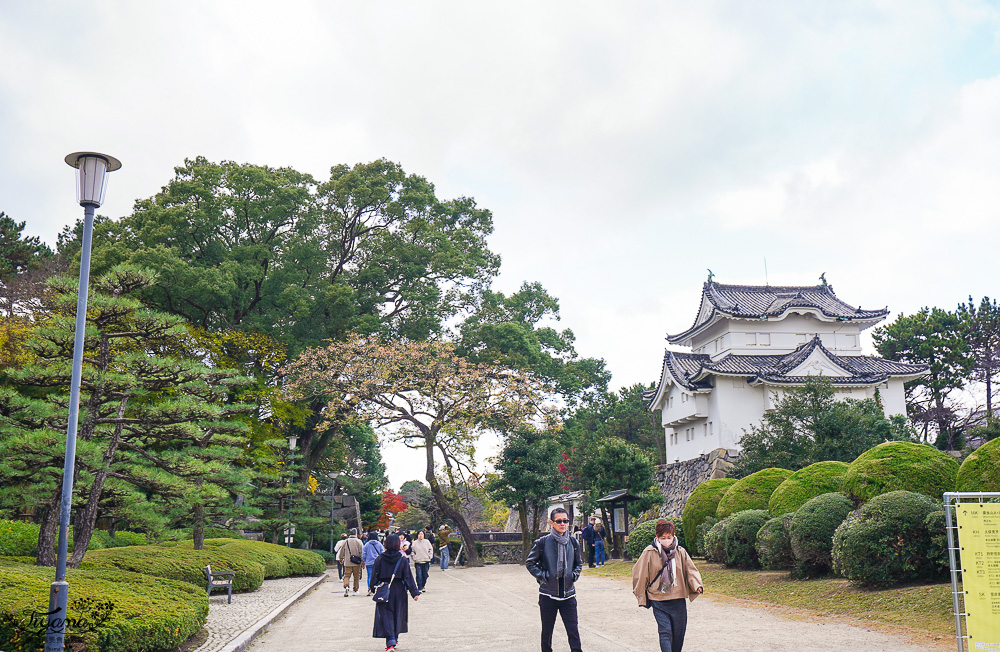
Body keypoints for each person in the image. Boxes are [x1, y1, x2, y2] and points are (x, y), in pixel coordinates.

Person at [631, 519, 704, 652]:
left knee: (678, 635)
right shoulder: (649, 552)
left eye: (669, 537)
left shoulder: (680, 551)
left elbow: (690, 570)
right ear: (657, 537)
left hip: (678, 598)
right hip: (658, 599)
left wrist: (696, 585)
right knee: (665, 632)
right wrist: (641, 596)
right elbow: (640, 574)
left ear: (673, 535)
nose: (666, 540)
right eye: (663, 537)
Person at [526, 507, 583, 652]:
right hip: (548, 595)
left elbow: (579, 563)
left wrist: (574, 575)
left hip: (568, 594)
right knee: (547, 632)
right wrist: (543, 577)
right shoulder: (542, 542)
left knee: (573, 632)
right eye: (559, 521)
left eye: (565, 521)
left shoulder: (573, 542)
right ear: (552, 523)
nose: (563, 524)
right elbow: (530, 563)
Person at [372, 533, 419, 651]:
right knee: (398, 614)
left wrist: (373, 588)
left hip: (384, 589)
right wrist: (414, 592)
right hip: (399, 590)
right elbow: (408, 577)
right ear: (398, 544)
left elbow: (374, 576)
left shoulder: (380, 559)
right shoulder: (402, 559)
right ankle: (394, 638)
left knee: (386, 615)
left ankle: (390, 641)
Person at [337, 527, 364, 597]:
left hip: (347, 562)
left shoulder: (346, 541)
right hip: (356, 563)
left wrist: (340, 559)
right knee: (356, 576)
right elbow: (362, 552)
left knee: (346, 575)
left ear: (349, 534)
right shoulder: (359, 541)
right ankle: (355, 590)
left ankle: (346, 586)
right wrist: (363, 562)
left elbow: (341, 551)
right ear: (356, 533)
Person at [362, 531, 385, 595]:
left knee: (369, 576)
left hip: (369, 563)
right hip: (378, 562)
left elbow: (363, 554)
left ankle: (370, 588)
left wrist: (365, 560)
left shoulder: (366, 545)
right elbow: (382, 553)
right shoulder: (379, 544)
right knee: (377, 576)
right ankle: (376, 587)